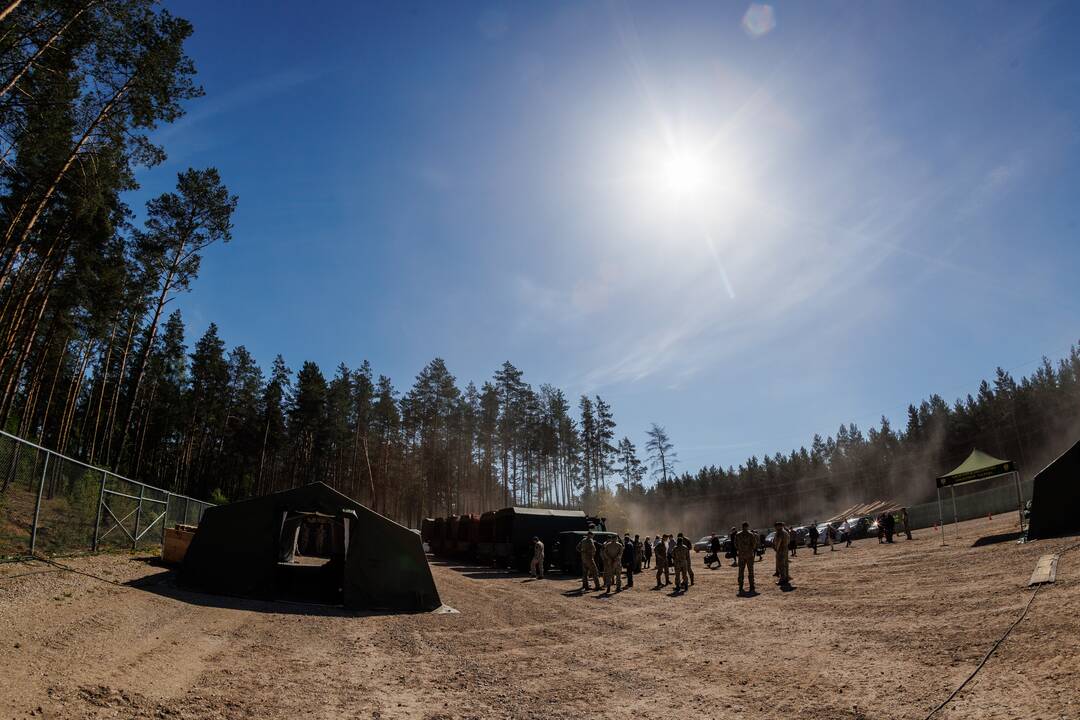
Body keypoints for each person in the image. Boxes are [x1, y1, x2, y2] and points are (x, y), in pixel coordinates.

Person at [734, 522, 758, 595]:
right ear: (747, 527)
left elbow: (735, 545)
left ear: (742, 527)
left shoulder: (738, 535)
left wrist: (740, 549)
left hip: (741, 555)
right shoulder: (751, 535)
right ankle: (752, 587)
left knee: (741, 571)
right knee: (750, 571)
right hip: (749, 555)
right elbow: (754, 545)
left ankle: (740, 587)